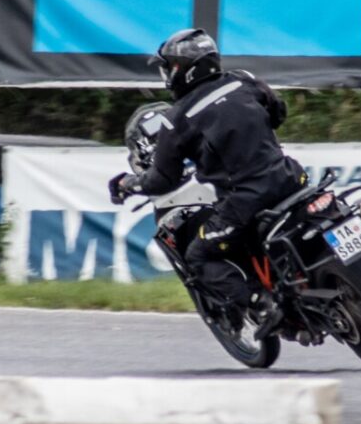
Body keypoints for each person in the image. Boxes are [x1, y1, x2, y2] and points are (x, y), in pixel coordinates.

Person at [108, 28, 300, 328]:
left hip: (245, 200)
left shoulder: (177, 118)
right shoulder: (242, 80)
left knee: (199, 256)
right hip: (291, 177)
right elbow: (278, 112)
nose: (166, 76)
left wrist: (127, 183)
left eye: (167, 68)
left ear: (181, 69)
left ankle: (261, 304)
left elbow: (161, 180)